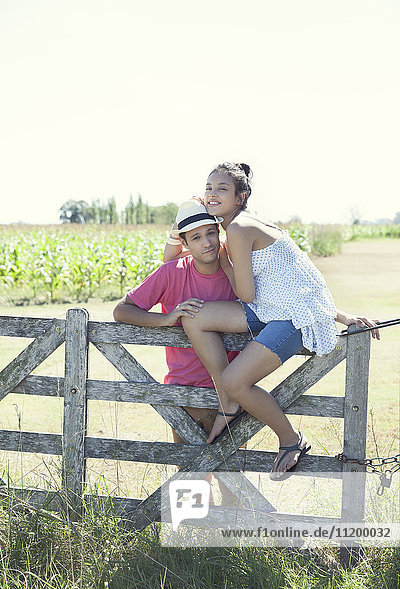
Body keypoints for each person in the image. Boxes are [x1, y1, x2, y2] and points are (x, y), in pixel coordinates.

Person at [167, 162, 380, 481]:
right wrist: (342, 314)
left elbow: (250, 294)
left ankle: (291, 439)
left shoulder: (238, 229)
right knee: (193, 315)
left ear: (240, 197)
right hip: (274, 308)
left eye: (222, 189)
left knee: (236, 381)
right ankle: (226, 397)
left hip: (291, 318)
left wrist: (225, 265)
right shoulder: (234, 228)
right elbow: (293, 281)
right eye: (209, 188)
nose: (212, 194)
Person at [113, 198, 239, 449]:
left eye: (211, 234)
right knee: (190, 481)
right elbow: (122, 310)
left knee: (232, 480)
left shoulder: (237, 273)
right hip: (183, 391)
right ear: (184, 243)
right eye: (196, 238)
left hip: (231, 392)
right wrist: (166, 319)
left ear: (219, 234)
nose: (207, 243)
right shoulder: (172, 272)